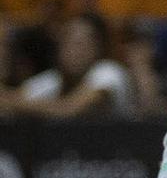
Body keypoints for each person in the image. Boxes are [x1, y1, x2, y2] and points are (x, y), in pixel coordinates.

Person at [0, 12, 134, 117]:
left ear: (98, 49)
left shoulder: (108, 71)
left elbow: (68, 109)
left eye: (81, 44)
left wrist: (11, 101)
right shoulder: (55, 79)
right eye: (68, 42)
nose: (73, 51)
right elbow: (15, 98)